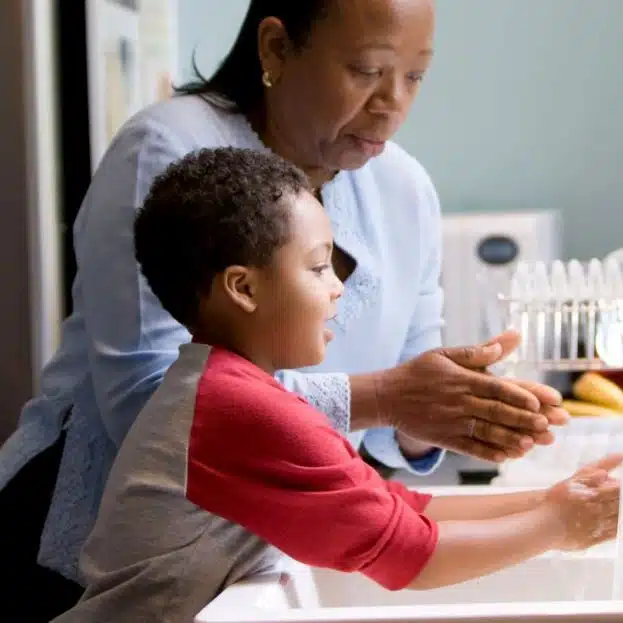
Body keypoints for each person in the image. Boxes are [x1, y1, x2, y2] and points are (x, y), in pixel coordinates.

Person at [0, 1, 568, 620]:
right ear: (274, 49)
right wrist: (386, 397)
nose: (393, 102)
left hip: (253, 558)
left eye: (415, 75)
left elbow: (396, 418)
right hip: (86, 557)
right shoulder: (169, 148)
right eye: (367, 69)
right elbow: (150, 403)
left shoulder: (406, 190)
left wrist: (452, 408)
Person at [53, 146, 623, 623]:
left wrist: (551, 501)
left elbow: (405, 509)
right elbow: (412, 554)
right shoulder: (237, 408)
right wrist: (560, 527)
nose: (338, 287)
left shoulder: (231, 390)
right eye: (319, 266)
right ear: (242, 288)